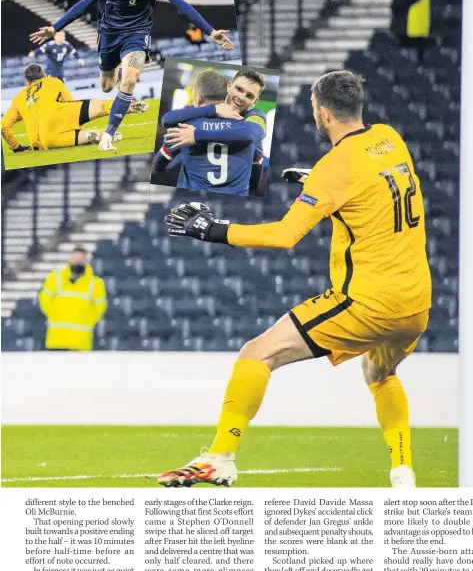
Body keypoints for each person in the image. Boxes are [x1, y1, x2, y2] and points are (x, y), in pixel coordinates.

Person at [159, 70, 432, 489]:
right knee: (380, 374)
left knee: (256, 354)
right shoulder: (389, 139)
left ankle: (220, 458)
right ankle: (403, 472)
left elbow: (285, 235)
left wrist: (213, 229)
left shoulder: (335, 166)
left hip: (367, 302)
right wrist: (315, 181)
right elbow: (372, 188)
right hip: (415, 304)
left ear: (323, 113)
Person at [29, 0, 234, 152]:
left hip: (137, 33)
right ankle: (116, 75)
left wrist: (209, 30)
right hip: (109, 34)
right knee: (107, 86)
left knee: (129, 80)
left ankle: (109, 133)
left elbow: (181, 5)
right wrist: (55, 27)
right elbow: (85, 2)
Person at [154, 69, 266, 196]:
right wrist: (214, 109)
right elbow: (167, 119)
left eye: (249, 95)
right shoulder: (249, 122)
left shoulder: (189, 122)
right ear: (229, 86)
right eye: (239, 89)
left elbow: (159, 165)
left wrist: (196, 135)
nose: (241, 97)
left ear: (255, 101)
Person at [1, 63, 147, 153]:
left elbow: (4, 127)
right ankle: (124, 106)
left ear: (27, 82)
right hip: (62, 112)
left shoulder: (18, 98)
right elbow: (69, 101)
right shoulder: (52, 81)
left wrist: (16, 147)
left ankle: (97, 136)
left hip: (45, 139)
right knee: (102, 105)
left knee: (75, 136)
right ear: (44, 75)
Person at [38, 247, 107, 351]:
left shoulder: (96, 283)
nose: (77, 261)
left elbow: (100, 308)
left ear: (86, 261)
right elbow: (44, 300)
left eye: (80, 259)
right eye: (75, 258)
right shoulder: (55, 278)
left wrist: (87, 319)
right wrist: (54, 313)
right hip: (57, 341)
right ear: (70, 259)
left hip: (81, 342)